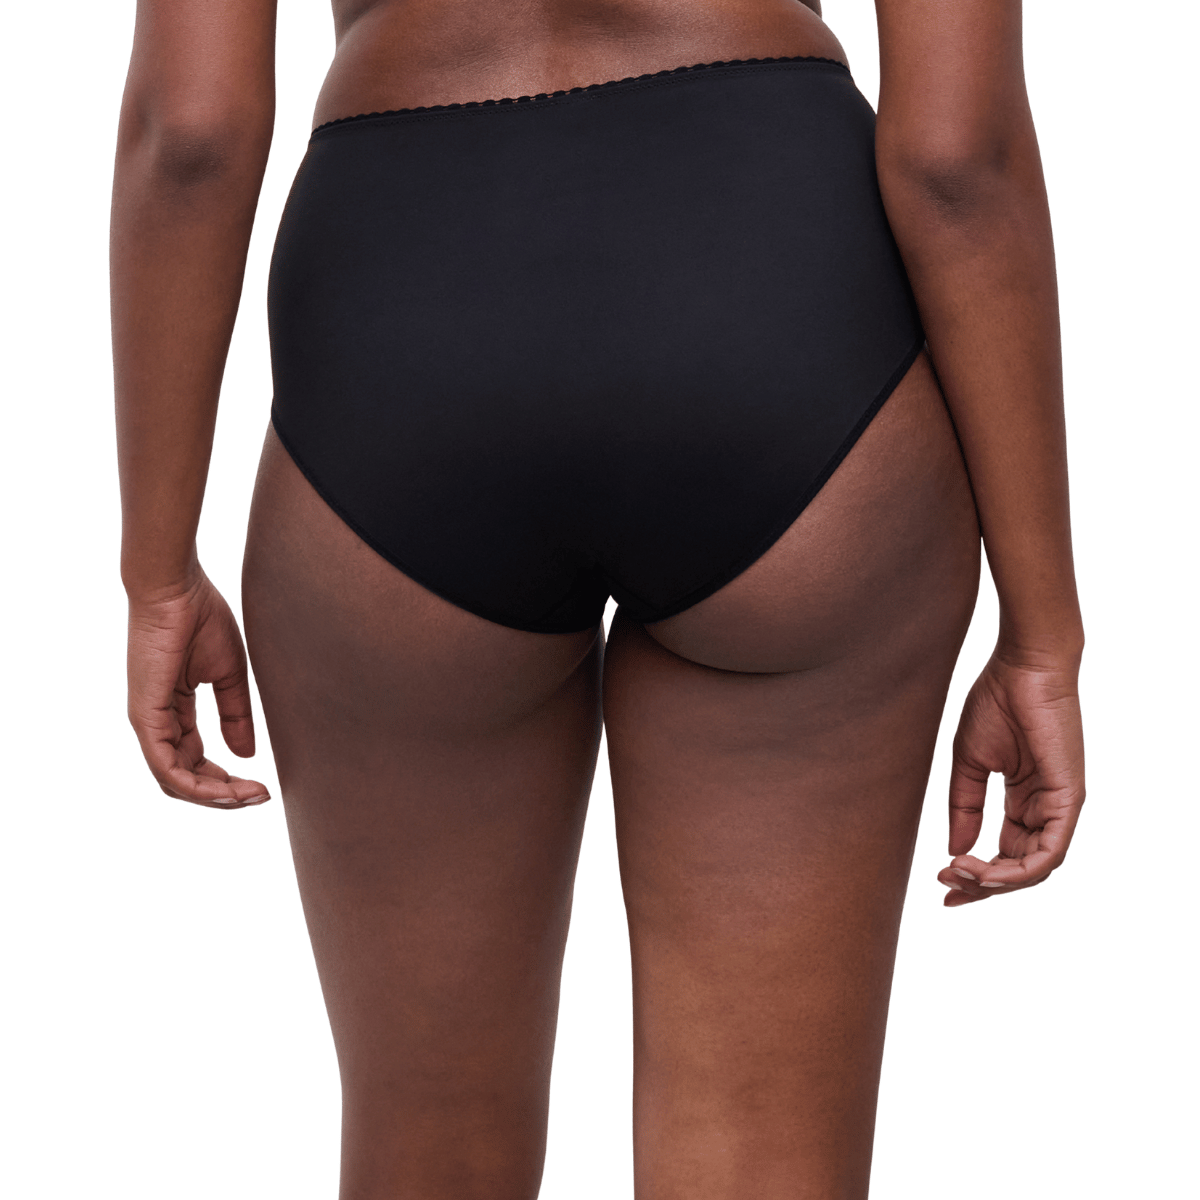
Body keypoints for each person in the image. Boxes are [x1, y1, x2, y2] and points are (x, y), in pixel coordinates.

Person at [111, 0, 1086, 1194]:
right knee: (763, 1150)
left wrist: (158, 570)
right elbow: (956, 154)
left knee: (428, 1149)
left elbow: (193, 130)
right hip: (776, 295)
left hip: (408, 319)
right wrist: (1042, 635)